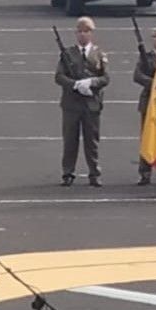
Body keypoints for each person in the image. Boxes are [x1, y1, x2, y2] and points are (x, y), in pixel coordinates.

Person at [54, 16, 107, 187]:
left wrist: (92, 82)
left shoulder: (99, 53)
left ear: (92, 33)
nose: (83, 35)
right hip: (72, 103)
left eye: (86, 31)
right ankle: (68, 173)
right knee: (70, 139)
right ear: (76, 33)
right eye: (80, 31)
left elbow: (105, 78)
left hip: (91, 103)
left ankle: (94, 173)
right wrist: (75, 84)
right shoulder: (68, 53)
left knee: (92, 141)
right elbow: (59, 76)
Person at [134, 26, 156, 184]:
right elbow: (138, 76)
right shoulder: (146, 57)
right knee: (147, 137)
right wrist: (155, 83)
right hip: (148, 100)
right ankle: (145, 172)